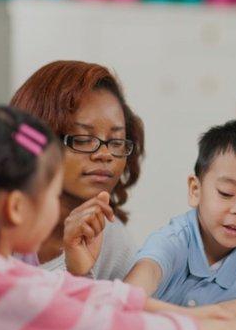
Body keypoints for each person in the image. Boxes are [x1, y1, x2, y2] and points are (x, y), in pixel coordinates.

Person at [0, 106, 236, 330]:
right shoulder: (2, 291)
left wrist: (188, 314)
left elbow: (63, 288)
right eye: (53, 197)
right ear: (18, 208)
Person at [126, 120, 236, 321]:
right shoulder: (174, 239)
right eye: (226, 193)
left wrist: (211, 314)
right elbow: (135, 288)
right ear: (195, 190)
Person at [10, 60, 144, 279]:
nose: (105, 154)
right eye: (83, 139)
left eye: (117, 141)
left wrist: (81, 274)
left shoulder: (115, 245)